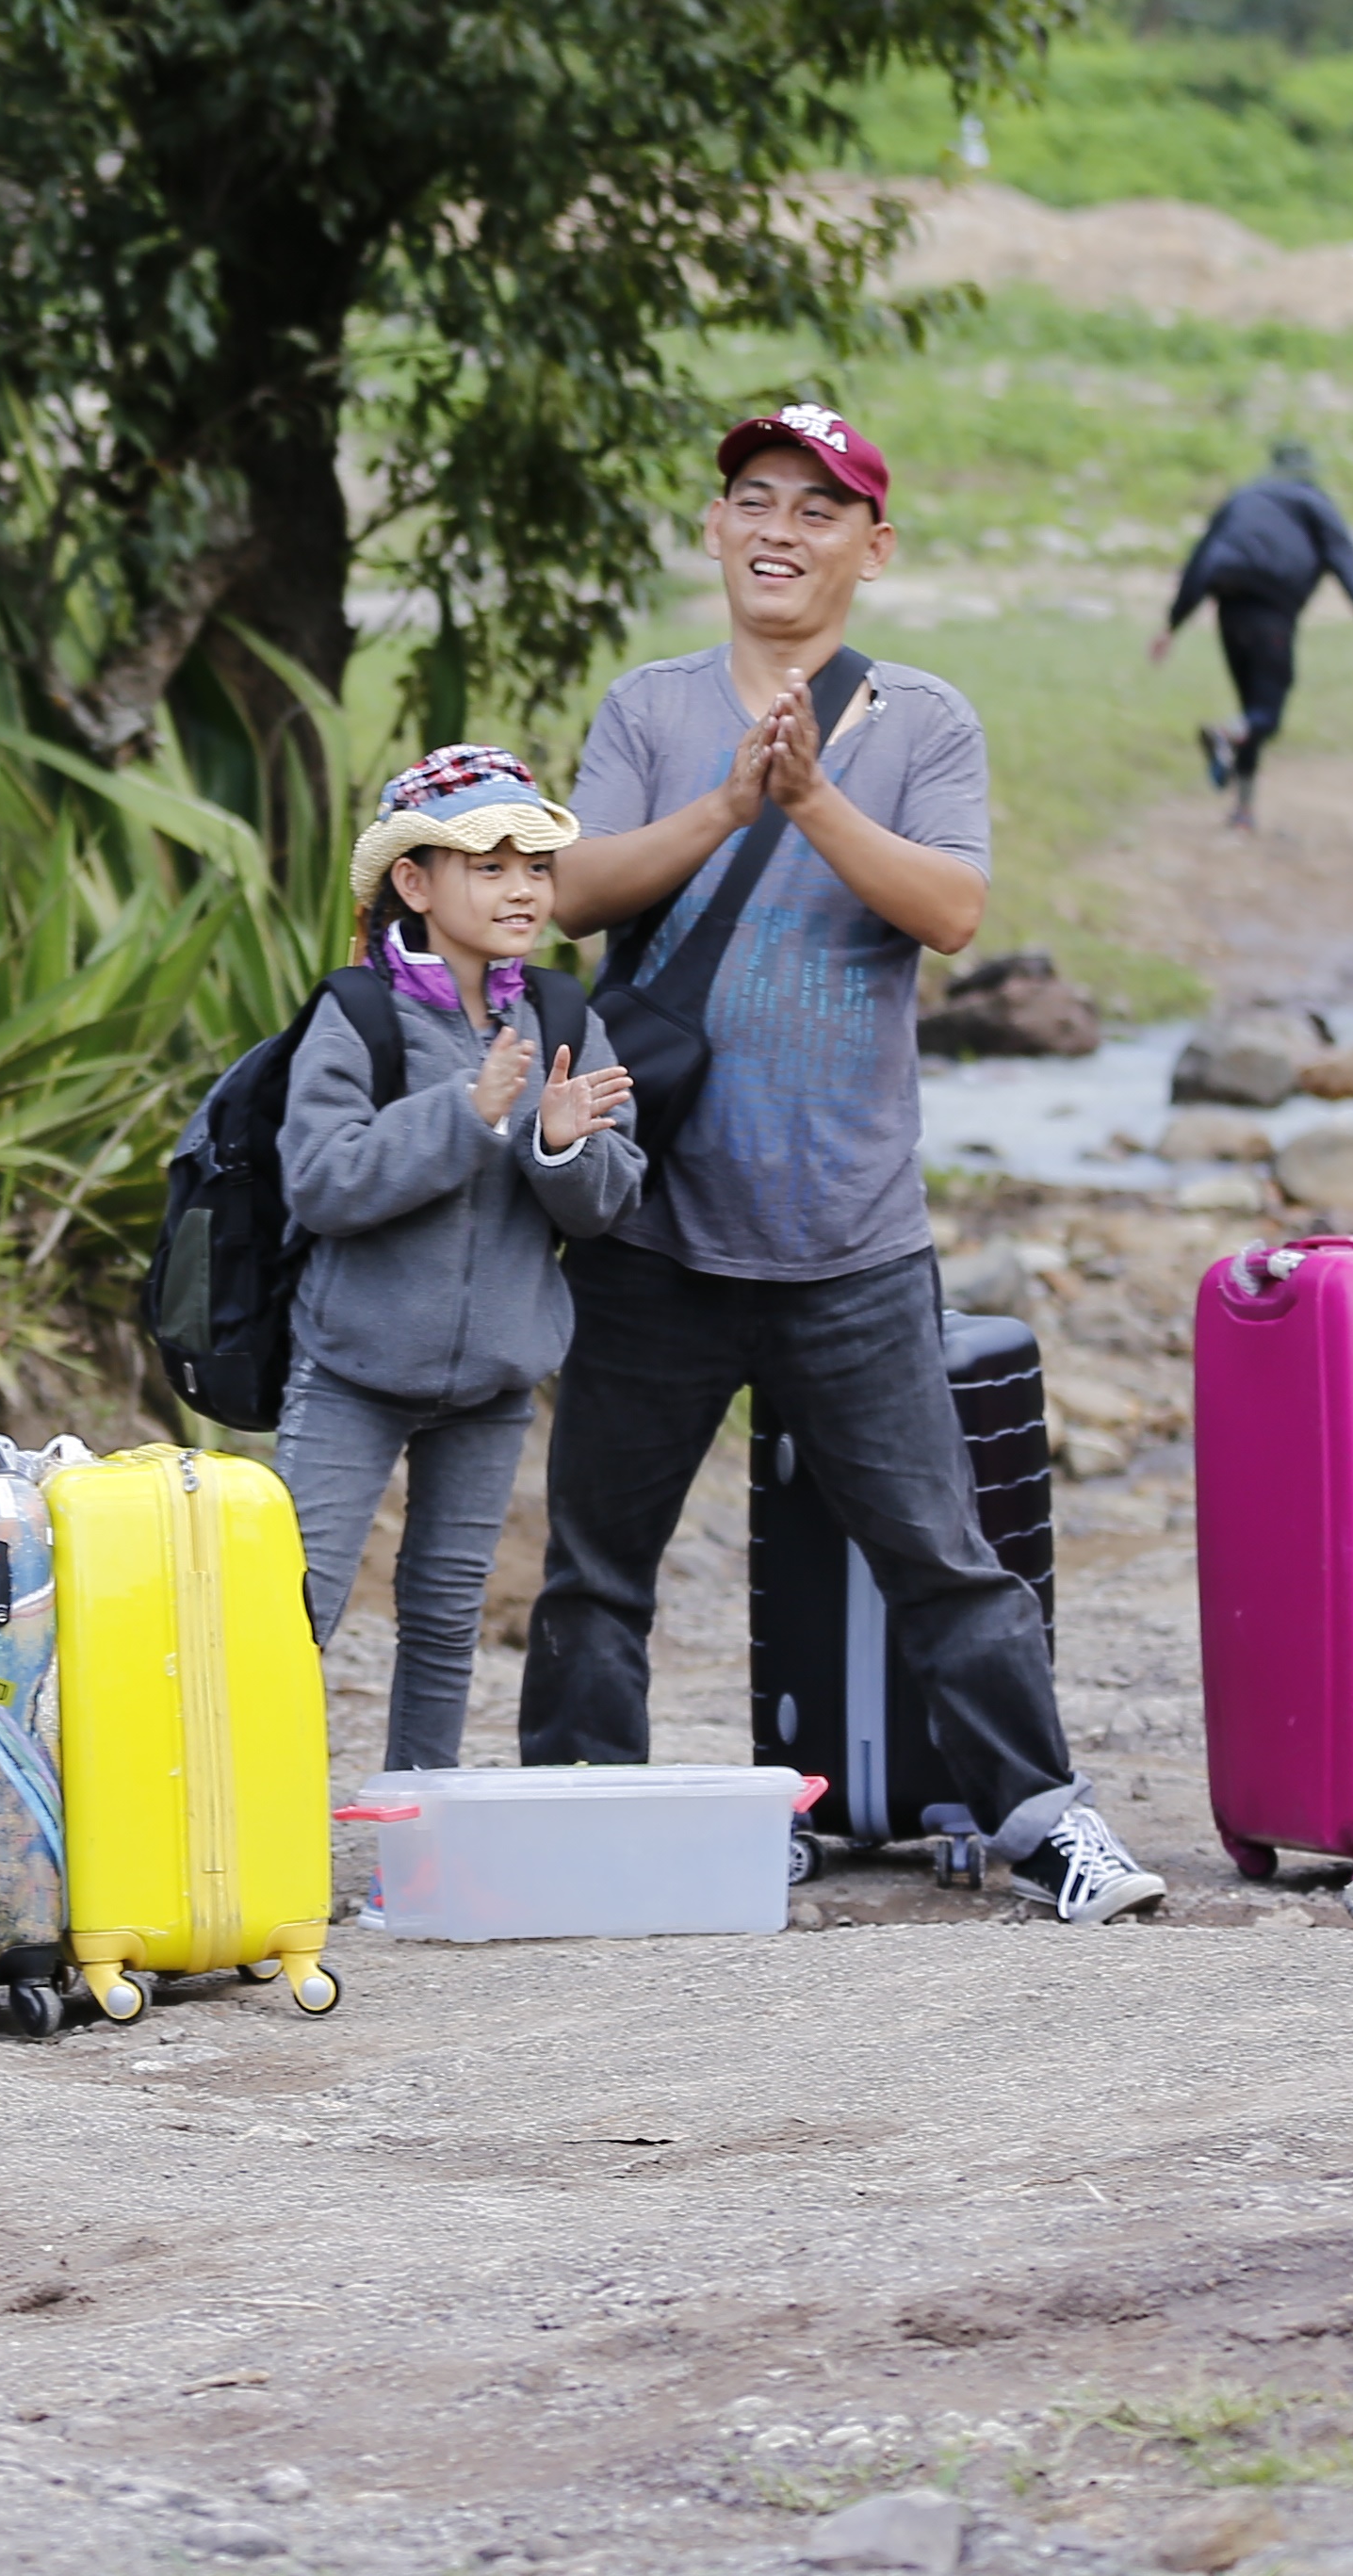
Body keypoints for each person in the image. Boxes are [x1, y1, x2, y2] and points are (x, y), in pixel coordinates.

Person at [525, 402, 1168, 1924]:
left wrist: (812, 798)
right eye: (752, 497)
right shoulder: (650, 706)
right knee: (594, 1566)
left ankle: (1044, 1822)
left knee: (945, 1557)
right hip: (655, 1233)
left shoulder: (924, 722)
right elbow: (567, 890)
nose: (778, 528)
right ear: (712, 527)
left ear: (870, 547)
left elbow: (947, 908)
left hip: (851, 1237)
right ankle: (573, 1833)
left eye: (818, 508)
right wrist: (730, 803)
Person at [274, 747, 644, 1775]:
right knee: (292, 1612)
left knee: (445, 1621)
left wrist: (561, 1143)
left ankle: (418, 1845)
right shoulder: (357, 1015)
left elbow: (614, 1200)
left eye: (535, 865)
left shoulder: (566, 1018)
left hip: (494, 1383)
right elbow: (322, 1183)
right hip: (352, 1369)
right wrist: (464, 1113)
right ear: (413, 882)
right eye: (489, 865)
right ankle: (266, 1843)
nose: (522, 888)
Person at [1150, 438, 1353, 830]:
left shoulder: (1242, 498)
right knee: (1266, 713)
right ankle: (1227, 736)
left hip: (1228, 604)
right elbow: (1342, 555)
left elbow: (1201, 558)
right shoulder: (1313, 501)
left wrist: (1172, 625)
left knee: (1249, 707)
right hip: (1271, 608)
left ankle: (1243, 810)